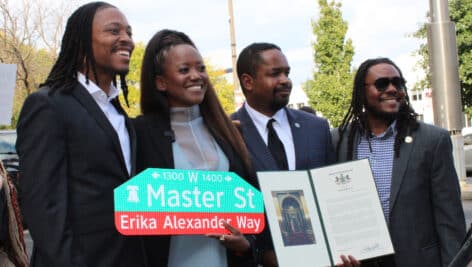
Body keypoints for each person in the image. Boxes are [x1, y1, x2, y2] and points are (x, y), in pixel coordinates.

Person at [15, 2, 147, 266]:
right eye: (114, 31)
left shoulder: (119, 113)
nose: (127, 40)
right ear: (82, 42)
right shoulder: (48, 104)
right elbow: (43, 207)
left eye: (129, 33)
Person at [133, 29, 258, 267]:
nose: (196, 76)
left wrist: (246, 243)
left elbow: (252, 205)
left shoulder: (229, 131)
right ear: (160, 82)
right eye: (184, 70)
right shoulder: (139, 134)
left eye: (201, 68)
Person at [231, 42, 358, 267]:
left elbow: (331, 196)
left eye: (287, 73)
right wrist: (257, 252)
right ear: (248, 81)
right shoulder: (227, 131)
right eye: (274, 73)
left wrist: (343, 249)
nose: (285, 80)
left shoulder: (316, 128)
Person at [333, 57, 466, 267]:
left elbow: (449, 218)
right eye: (382, 84)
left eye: (398, 82)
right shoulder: (339, 140)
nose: (392, 89)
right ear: (362, 91)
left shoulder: (432, 140)